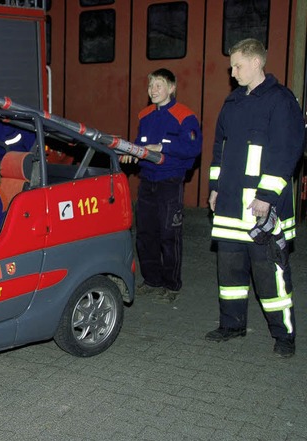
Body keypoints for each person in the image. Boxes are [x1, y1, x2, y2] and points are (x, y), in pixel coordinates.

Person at [205, 39, 305, 357]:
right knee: (230, 272)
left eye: (238, 65)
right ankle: (231, 325)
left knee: (270, 275)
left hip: (262, 208)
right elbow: (220, 149)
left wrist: (266, 196)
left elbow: (286, 152)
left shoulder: (281, 101)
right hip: (231, 205)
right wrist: (215, 188)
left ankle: (284, 336)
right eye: (232, 67)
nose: (232, 73)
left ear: (257, 63)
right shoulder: (233, 102)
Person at [127, 68, 202, 303]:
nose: (153, 90)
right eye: (150, 86)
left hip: (170, 182)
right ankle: (151, 280)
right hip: (147, 181)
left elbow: (193, 148)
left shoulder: (184, 116)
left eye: (159, 85)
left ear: (171, 88)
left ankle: (171, 285)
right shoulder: (145, 115)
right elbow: (141, 145)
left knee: (169, 234)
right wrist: (131, 154)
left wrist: (163, 148)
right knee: (146, 234)